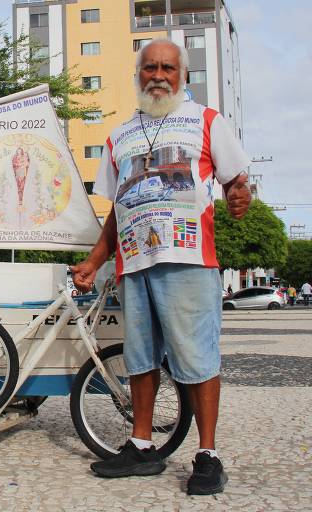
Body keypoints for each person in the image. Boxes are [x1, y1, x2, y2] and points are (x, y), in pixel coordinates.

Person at [70, 39, 252, 496]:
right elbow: (118, 208)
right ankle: (141, 446)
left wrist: (239, 198)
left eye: (167, 68)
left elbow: (236, 183)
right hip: (135, 262)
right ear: (138, 75)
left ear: (182, 75)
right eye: (149, 67)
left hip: (189, 260)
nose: (158, 75)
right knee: (140, 358)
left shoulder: (207, 122)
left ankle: (208, 456)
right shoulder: (119, 135)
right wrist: (95, 260)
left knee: (196, 356)